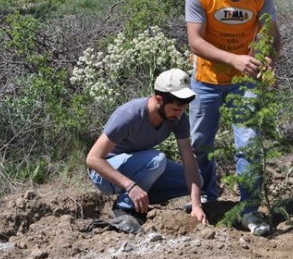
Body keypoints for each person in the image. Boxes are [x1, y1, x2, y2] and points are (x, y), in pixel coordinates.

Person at [185, 0, 281, 236]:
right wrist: (234, 59)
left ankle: (249, 209)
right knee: (200, 141)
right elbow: (195, 41)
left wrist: (266, 60)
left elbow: (272, 38)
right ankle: (207, 195)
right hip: (207, 79)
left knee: (249, 143)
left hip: (244, 81)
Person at [86, 69, 208, 228]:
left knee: (198, 180)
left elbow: (189, 160)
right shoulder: (129, 115)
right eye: (176, 109)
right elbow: (93, 159)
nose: (179, 116)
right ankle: (124, 209)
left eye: (183, 110)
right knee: (157, 160)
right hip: (105, 174)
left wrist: (196, 205)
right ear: (159, 99)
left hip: (138, 167)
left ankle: (139, 202)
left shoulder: (178, 118)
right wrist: (130, 186)